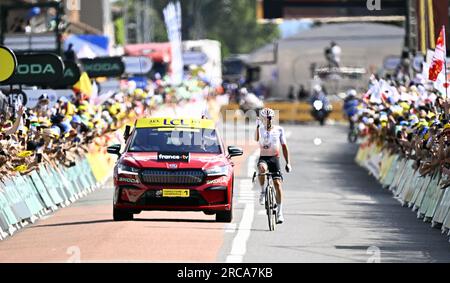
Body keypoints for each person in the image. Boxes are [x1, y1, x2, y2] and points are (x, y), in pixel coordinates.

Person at [255, 108, 292, 224]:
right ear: (262, 119)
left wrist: (288, 163)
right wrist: (256, 127)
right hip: (264, 158)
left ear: (272, 118)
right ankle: (262, 191)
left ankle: (280, 212)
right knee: (261, 169)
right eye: (265, 119)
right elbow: (256, 139)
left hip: (274, 159)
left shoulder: (279, 129)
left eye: (269, 118)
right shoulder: (259, 129)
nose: (267, 120)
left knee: (277, 184)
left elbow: (284, 147)